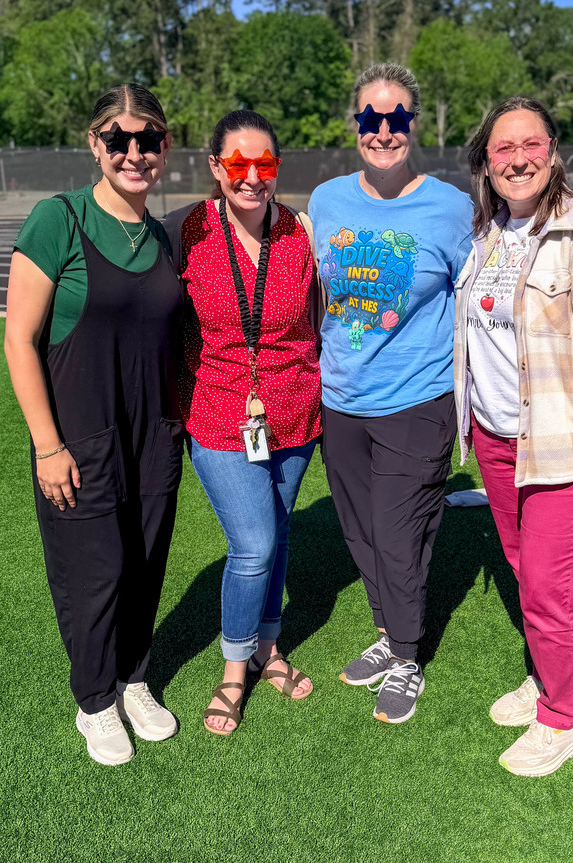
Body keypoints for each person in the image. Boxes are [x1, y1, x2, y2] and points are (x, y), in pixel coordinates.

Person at [453, 95, 573, 775]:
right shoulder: (489, 234)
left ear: (552, 151)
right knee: (522, 569)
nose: (517, 159)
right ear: (484, 163)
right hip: (499, 442)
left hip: (561, 447)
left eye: (529, 145)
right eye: (501, 150)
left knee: (545, 586)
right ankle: (545, 678)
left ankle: (564, 720)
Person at [4, 85, 184, 766]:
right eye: (119, 139)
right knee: (94, 572)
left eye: (148, 140)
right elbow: (19, 340)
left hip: (152, 434)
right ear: (95, 143)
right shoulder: (60, 220)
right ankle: (95, 701)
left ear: (165, 147)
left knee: (143, 563)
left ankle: (134, 678)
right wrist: (48, 447)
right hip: (78, 436)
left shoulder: (160, 234)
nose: (133, 153)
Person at [307, 63, 473, 724]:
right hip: (341, 400)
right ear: (356, 126)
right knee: (360, 533)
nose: (383, 130)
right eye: (370, 118)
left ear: (412, 124)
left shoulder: (451, 208)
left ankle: (406, 657)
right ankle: (387, 631)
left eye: (395, 116)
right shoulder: (325, 201)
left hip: (417, 401)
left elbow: (480, 301)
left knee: (399, 534)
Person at [164, 110, 321, 735]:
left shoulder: (300, 231)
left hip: (293, 412)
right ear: (214, 167)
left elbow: (322, 313)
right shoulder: (189, 231)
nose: (251, 177)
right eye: (237, 164)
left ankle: (268, 648)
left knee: (278, 535)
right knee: (252, 546)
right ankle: (234, 669)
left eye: (264, 165)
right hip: (218, 410)